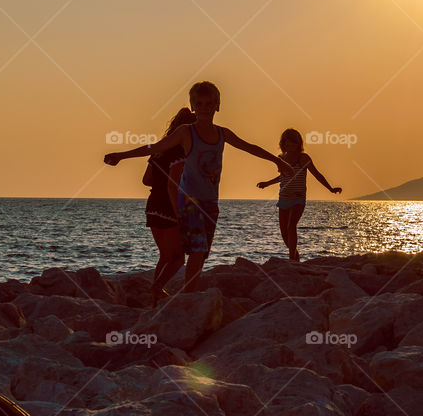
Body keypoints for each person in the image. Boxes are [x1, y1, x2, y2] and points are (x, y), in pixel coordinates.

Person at [105, 81, 293, 293]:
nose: (204, 108)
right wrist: (122, 155)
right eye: (200, 104)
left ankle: (178, 291)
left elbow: (249, 147)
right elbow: (155, 147)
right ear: (193, 106)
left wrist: (278, 161)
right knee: (197, 249)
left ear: (217, 106)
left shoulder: (223, 134)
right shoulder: (186, 132)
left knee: (201, 253)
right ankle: (186, 294)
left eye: (209, 104)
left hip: (210, 202)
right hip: (189, 200)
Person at [101, 108, 194, 306]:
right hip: (169, 206)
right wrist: (179, 213)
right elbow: (173, 185)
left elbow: (146, 180)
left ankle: (155, 299)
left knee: (165, 255)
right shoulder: (180, 154)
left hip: (152, 205)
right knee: (178, 258)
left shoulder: (158, 152)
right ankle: (157, 288)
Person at [256, 128, 342, 261]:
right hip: (283, 198)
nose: (289, 146)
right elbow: (282, 178)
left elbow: (317, 174)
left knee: (291, 225)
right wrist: (267, 183)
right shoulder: (281, 158)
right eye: (287, 143)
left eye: (293, 143)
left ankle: (292, 259)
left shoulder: (303, 158)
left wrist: (330, 188)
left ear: (298, 144)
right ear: (283, 144)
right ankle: (296, 257)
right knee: (284, 233)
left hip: (298, 198)